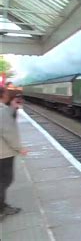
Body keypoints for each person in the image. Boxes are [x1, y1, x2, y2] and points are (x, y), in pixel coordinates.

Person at [0, 86, 25, 221]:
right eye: (7, 93)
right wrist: (20, 148)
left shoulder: (4, 110)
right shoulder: (2, 111)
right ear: (3, 95)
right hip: (3, 153)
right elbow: (8, 131)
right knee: (4, 180)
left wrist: (13, 108)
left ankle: (2, 206)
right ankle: (1, 209)